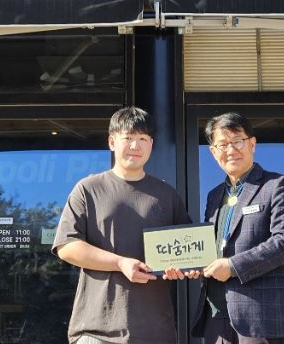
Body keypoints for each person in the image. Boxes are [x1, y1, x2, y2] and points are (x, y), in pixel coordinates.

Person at [52, 106, 197, 344]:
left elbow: (187, 250)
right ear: (112, 142)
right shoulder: (88, 189)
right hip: (98, 331)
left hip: (156, 332)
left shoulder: (166, 194)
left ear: (151, 144)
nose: (135, 145)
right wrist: (120, 263)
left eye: (143, 139)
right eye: (128, 138)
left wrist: (185, 266)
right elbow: (67, 247)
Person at [191, 112, 284, 344]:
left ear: (252, 144)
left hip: (260, 318)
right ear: (213, 152)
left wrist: (233, 266)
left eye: (237, 141)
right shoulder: (214, 196)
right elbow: (210, 249)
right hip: (216, 316)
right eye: (222, 144)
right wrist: (194, 264)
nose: (231, 150)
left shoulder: (277, 185)